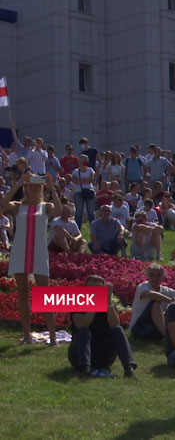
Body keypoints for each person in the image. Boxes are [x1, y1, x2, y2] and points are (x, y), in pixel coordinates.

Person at [2, 172, 61, 345]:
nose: (33, 188)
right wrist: (19, 183)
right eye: (31, 186)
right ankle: (26, 335)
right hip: (20, 251)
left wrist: (52, 188)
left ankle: (52, 337)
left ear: (41, 188)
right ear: (26, 188)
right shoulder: (19, 206)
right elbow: (4, 204)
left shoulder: (46, 206)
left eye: (37, 186)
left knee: (44, 294)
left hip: (38, 251)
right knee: (22, 293)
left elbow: (58, 211)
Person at [69, 276, 136, 378]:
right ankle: (85, 370)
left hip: (103, 354)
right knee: (84, 331)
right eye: (91, 287)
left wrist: (108, 301)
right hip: (80, 355)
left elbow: (115, 324)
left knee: (118, 329)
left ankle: (129, 368)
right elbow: (82, 324)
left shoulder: (109, 306)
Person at [130, 263, 175, 340]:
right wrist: (170, 301)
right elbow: (151, 294)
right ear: (147, 276)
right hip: (139, 328)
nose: (155, 278)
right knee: (156, 303)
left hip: (154, 328)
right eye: (151, 275)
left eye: (158, 275)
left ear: (163, 277)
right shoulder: (142, 286)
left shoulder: (165, 290)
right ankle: (167, 337)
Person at [72, 154, 96, 228]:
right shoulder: (75, 171)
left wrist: (81, 180)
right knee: (79, 212)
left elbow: (91, 180)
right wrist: (86, 180)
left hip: (89, 191)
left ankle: (93, 229)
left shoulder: (90, 170)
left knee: (91, 212)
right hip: (78, 192)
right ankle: (77, 229)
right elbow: (75, 180)